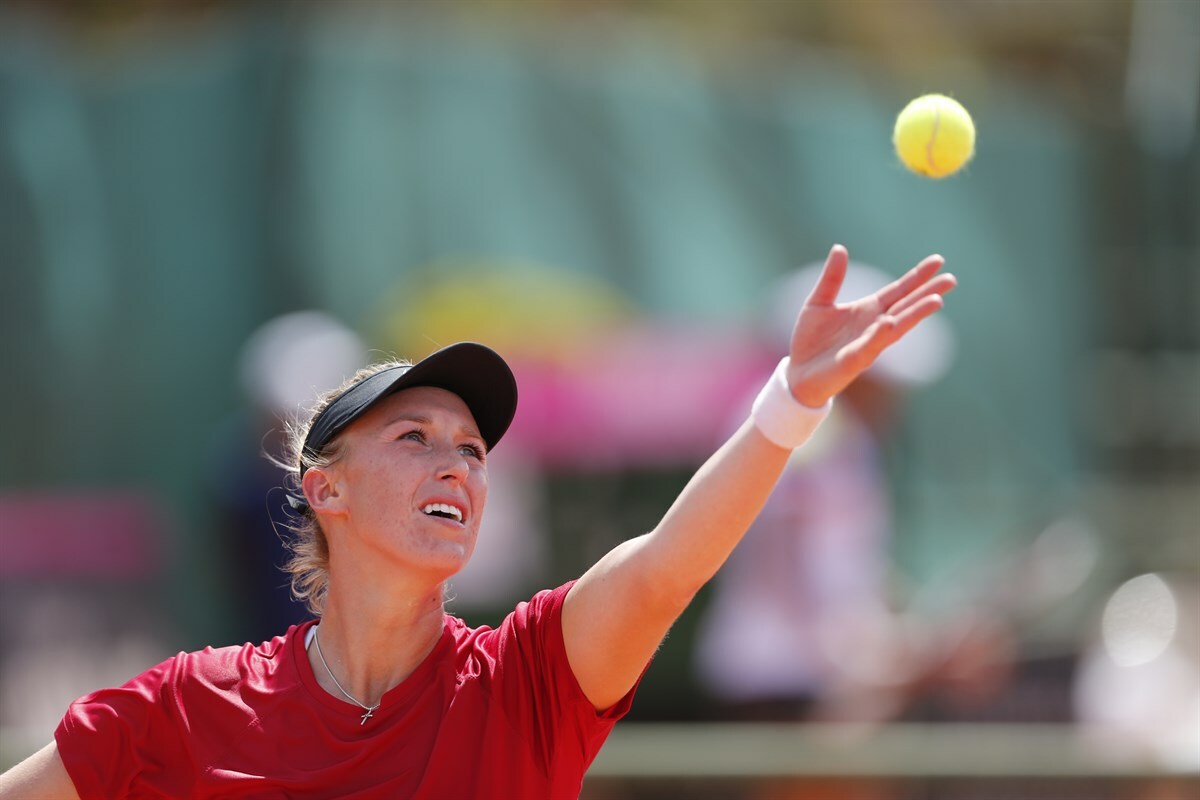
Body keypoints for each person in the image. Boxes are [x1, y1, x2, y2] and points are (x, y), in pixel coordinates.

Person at [0, 244, 956, 799]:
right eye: (414, 435)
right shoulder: (186, 705)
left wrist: (792, 401)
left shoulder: (527, 679)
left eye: (471, 448)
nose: (455, 459)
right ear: (325, 490)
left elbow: (666, 567)